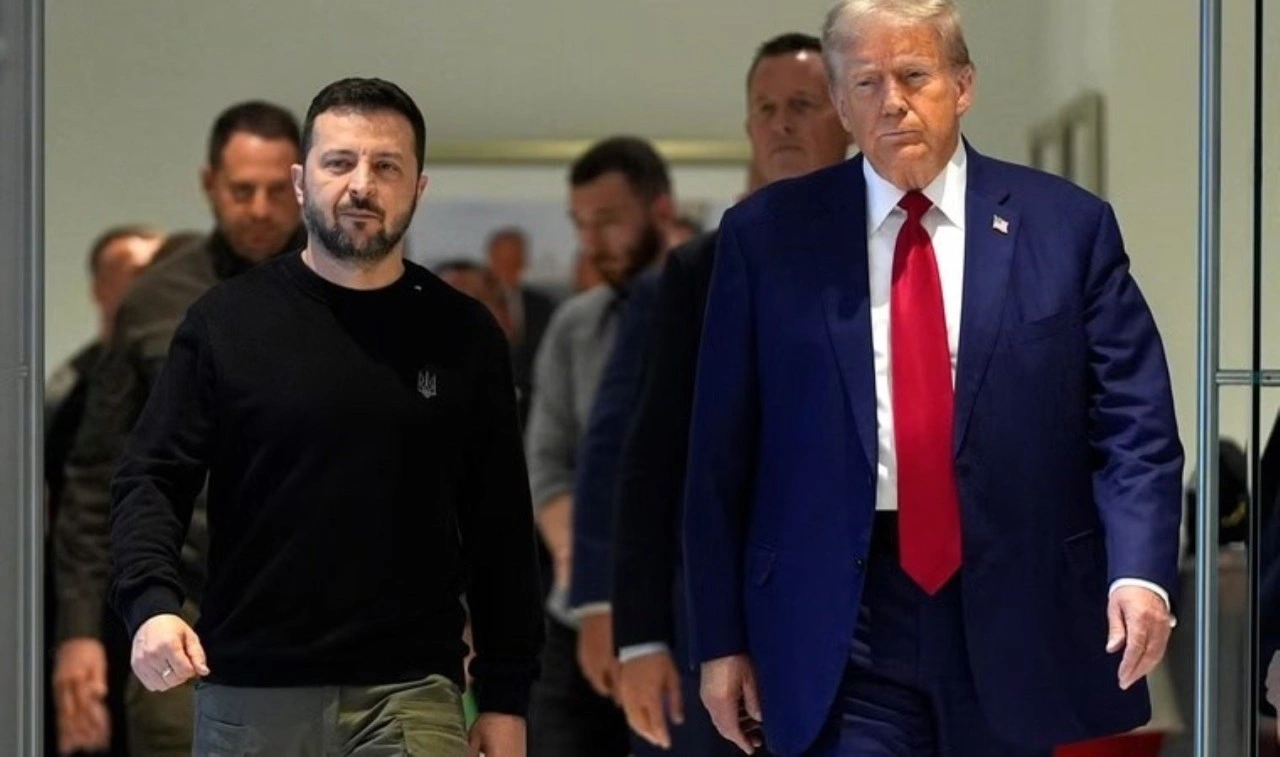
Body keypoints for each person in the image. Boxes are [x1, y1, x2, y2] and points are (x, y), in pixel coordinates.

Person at [682, 2, 1183, 755]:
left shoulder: (1066, 227)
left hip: (1016, 605)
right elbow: (719, 455)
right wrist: (720, 639)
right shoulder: (768, 237)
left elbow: (1134, 425)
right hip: (840, 616)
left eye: (914, 76)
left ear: (964, 85)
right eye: (866, 83)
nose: (892, 102)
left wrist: (1139, 573)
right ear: (842, 105)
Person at [108, 77, 542, 756]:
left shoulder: (463, 334)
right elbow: (152, 477)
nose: (361, 185)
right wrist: (151, 605)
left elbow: (501, 527)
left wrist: (506, 696)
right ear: (301, 181)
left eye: (386, 166)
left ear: (418, 188)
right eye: (339, 162)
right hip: (251, 688)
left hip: (412, 690)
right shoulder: (226, 322)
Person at [571, 32, 851, 755]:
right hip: (711, 624)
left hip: (859, 621)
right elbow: (642, 462)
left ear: (849, 115)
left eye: (803, 105)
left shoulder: (896, 257)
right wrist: (638, 634)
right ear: (748, 126)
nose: (782, 124)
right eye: (766, 108)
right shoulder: (695, 272)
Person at [53, 101, 305, 757]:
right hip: (184, 605)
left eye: (277, 191)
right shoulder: (156, 298)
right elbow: (96, 475)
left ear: (302, 184)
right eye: (242, 190)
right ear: (209, 184)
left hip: (317, 606)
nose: (259, 209)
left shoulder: (348, 289)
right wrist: (78, 632)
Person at [523, 136, 677, 756]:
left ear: (661, 210)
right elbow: (545, 459)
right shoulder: (576, 323)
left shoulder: (706, 307)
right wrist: (582, 566)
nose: (592, 241)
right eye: (581, 224)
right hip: (574, 614)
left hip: (671, 612)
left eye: (609, 221)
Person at [46, 225, 163, 757]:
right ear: (100, 287)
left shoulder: (186, 376)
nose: (150, 286)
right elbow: (70, 508)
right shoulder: (73, 387)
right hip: (90, 600)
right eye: (135, 274)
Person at [487, 227, 557, 430]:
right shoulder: (474, 302)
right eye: (503, 260)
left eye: (515, 260)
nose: (509, 268)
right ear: (490, 260)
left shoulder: (543, 306)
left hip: (533, 415)